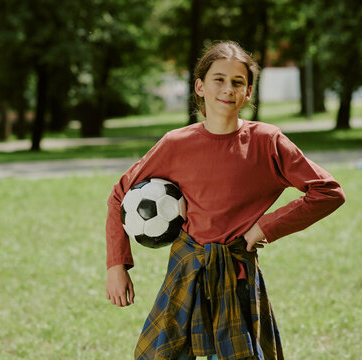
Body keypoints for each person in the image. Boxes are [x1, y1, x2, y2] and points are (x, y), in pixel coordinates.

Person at [105, 40, 346, 360]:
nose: (228, 89)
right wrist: (116, 266)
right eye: (219, 79)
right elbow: (119, 195)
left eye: (238, 82)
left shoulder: (267, 141)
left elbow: (328, 192)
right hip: (187, 268)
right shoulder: (175, 144)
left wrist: (265, 226)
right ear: (200, 86)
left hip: (237, 271)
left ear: (248, 93)